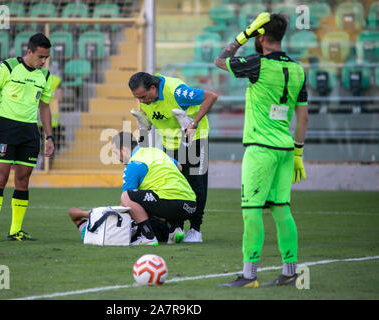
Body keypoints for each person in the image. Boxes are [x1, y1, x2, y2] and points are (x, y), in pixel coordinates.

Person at [214, 13, 308, 287]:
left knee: (251, 211)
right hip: (286, 150)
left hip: (260, 150)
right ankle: (291, 273)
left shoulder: (257, 64)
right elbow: (303, 117)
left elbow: (219, 60)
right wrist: (299, 152)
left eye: (257, 35)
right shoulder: (299, 70)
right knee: (282, 210)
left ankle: (249, 276)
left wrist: (244, 35)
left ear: (262, 37)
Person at [0, 33, 54, 242]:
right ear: (28, 52)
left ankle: (15, 231)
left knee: (23, 180)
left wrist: (50, 137)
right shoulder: (9, 66)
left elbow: (45, 106)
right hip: (6, 127)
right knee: (1, 176)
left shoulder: (45, 76)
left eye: (46, 58)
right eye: (40, 56)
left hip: (30, 131)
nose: (43, 61)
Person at [128, 72, 217, 242]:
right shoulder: (145, 98)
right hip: (171, 144)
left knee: (196, 184)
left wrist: (194, 123)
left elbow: (211, 97)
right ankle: (175, 227)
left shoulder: (177, 92)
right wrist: (145, 124)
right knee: (173, 185)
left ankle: (195, 230)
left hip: (195, 139)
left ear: (153, 88)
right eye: (138, 98)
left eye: (144, 96)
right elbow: (151, 119)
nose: (142, 101)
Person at [111, 131, 198, 246]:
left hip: (171, 202)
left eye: (115, 153)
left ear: (123, 149)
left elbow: (127, 203)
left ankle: (148, 237)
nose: (117, 157)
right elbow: (179, 167)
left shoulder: (133, 164)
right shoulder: (155, 151)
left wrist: (109, 215)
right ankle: (174, 228)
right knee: (150, 196)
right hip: (191, 205)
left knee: (127, 197)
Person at [68, 208, 170, 243]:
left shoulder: (89, 230)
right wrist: (87, 214)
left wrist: (87, 214)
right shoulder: (88, 231)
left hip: (144, 228)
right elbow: (72, 213)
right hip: (147, 228)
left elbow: (72, 213)